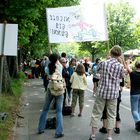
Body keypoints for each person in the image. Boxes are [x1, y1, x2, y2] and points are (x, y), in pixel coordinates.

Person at [89, 45, 124, 140]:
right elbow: (121, 77)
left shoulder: (103, 63)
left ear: (110, 53)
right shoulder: (120, 66)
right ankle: (109, 136)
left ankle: (93, 135)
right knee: (112, 115)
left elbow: (95, 72)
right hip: (113, 94)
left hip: (102, 92)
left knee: (96, 113)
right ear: (120, 54)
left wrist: (101, 76)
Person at [37, 53, 64, 138]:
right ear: (57, 60)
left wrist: (52, 57)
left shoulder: (47, 69)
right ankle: (58, 132)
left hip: (50, 88)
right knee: (59, 111)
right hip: (59, 89)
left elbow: (51, 64)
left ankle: (40, 128)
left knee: (45, 109)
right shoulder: (60, 67)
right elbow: (59, 63)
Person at [124, 59, 140, 132]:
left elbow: (127, 66)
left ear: (135, 66)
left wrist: (127, 60)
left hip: (134, 93)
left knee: (134, 110)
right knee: (139, 109)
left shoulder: (132, 73)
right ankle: (138, 125)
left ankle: (138, 122)